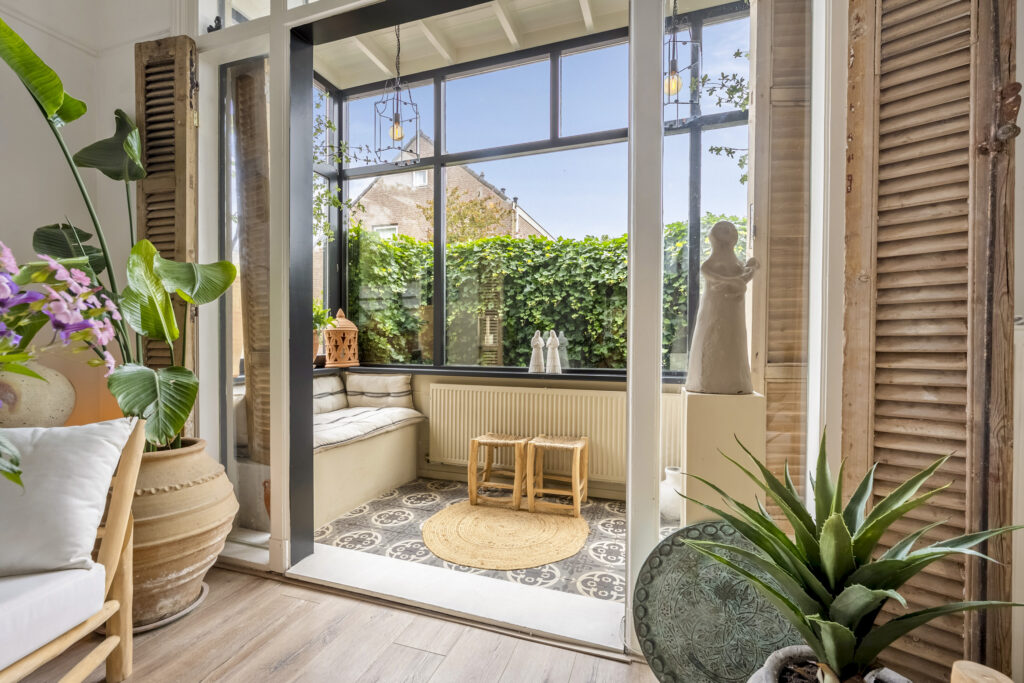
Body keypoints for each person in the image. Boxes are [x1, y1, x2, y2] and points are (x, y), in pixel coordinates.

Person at [685, 221, 759, 394]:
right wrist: (733, 281)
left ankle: (734, 381)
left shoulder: (737, 263)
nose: (727, 232)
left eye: (729, 230)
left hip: (733, 309)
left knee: (733, 339)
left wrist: (751, 270)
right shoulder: (710, 263)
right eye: (722, 231)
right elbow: (711, 275)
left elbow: (742, 278)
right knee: (711, 337)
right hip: (714, 307)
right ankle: (706, 379)